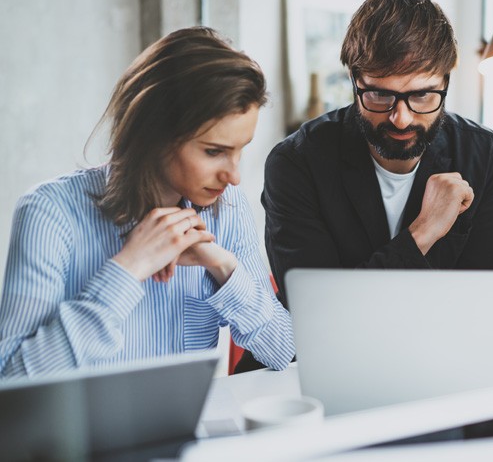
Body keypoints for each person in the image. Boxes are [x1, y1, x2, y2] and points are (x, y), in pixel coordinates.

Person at [235, 0, 493, 373]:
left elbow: (489, 301)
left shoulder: (481, 153)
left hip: (438, 364)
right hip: (321, 370)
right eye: (380, 95)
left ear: (445, 83)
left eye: (421, 95)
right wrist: (422, 232)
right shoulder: (296, 163)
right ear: (355, 82)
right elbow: (318, 317)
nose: (401, 118)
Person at [0, 27, 294, 378]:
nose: (233, 176)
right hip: (82, 435)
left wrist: (224, 268)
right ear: (154, 136)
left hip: (189, 432)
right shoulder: (49, 213)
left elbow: (281, 350)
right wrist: (127, 270)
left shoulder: (227, 209)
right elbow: (11, 382)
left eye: (239, 151)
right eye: (214, 152)